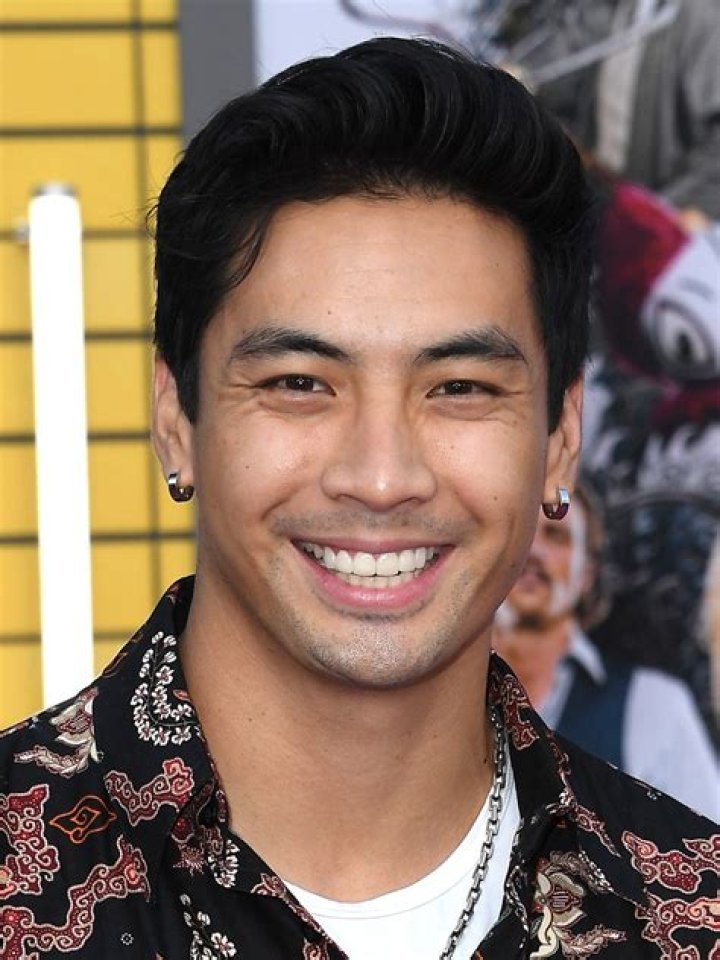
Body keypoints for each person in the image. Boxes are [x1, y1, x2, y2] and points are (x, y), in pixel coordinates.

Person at [0, 38, 716, 960]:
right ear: (176, 417)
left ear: (559, 438)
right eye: (300, 384)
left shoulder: (689, 915)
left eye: (460, 387)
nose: (381, 478)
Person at [493, 485, 720, 819]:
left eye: (556, 536)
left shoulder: (654, 707)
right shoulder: (435, 698)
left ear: (586, 574)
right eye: (522, 531)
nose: (534, 551)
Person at [495, 0, 720, 223]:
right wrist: (519, 77)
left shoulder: (700, 17)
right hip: (600, 195)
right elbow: (559, 75)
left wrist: (692, 207)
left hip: (666, 214)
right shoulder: (612, 10)